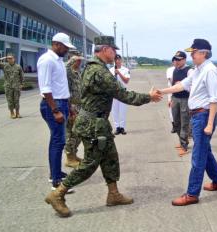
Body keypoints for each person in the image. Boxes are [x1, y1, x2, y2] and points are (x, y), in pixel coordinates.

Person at [44, 35, 162, 217]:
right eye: (113, 50)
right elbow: (123, 95)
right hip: (93, 125)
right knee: (90, 163)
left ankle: (113, 194)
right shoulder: (99, 71)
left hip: (98, 123)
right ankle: (58, 194)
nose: (115, 54)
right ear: (105, 49)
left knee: (110, 158)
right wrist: (149, 97)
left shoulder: (92, 67)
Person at [160, 39, 217, 206]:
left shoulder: (210, 70)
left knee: (198, 156)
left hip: (204, 117)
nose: (191, 55)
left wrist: (210, 124)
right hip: (197, 116)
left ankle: (192, 194)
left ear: (203, 53)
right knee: (206, 152)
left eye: (194, 52)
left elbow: (214, 99)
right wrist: (160, 91)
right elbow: (181, 86)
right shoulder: (198, 70)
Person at [37, 32, 76, 191]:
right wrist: (55, 110)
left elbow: (60, 86)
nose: (67, 50)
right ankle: (56, 181)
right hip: (53, 104)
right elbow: (46, 88)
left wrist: (69, 106)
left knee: (58, 140)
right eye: (65, 47)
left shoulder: (58, 60)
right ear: (57, 44)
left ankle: (55, 172)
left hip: (61, 103)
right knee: (58, 141)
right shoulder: (47, 60)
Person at [63, 49, 84, 168]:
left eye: (80, 59)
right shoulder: (67, 72)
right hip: (71, 106)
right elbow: (65, 67)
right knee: (71, 133)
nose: (79, 61)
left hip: (80, 106)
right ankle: (69, 158)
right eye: (77, 60)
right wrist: (72, 60)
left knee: (79, 133)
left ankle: (74, 154)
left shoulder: (78, 72)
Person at [171, 51, 193, 156]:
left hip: (185, 99)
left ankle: (184, 146)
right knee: (176, 122)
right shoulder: (175, 70)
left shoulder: (190, 71)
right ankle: (181, 141)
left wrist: (183, 85)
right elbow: (172, 85)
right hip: (175, 98)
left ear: (184, 59)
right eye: (176, 59)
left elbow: (193, 86)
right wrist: (171, 98)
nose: (177, 61)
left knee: (184, 123)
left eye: (179, 60)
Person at [0, 54, 24, 119]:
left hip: (16, 86)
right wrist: (3, 58)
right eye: (8, 58)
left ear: (14, 59)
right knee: (10, 100)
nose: (10, 59)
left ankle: (17, 113)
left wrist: (22, 84)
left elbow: (21, 76)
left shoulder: (18, 67)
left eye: (11, 58)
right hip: (8, 86)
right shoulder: (4, 65)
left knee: (16, 100)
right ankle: (12, 113)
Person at [110, 54, 131, 135]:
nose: (117, 61)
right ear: (114, 61)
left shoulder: (125, 70)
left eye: (119, 59)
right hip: (114, 93)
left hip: (123, 92)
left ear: (121, 60)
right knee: (115, 111)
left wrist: (118, 73)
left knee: (122, 111)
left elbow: (126, 81)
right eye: (116, 59)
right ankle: (117, 127)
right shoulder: (110, 70)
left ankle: (122, 127)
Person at [166, 58, 177, 133]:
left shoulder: (186, 69)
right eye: (175, 61)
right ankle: (174, 126)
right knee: (171, 110)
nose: (176, 62)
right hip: (171, 92)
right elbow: (171, 80)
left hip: (183, 93)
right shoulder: (170, 70)